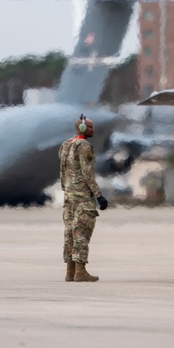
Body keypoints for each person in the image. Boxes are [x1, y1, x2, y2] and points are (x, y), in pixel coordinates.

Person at [59, 114, 108, 282]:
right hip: (82, 197)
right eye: (90, 127)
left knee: (70, 233)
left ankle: (70, 271)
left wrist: (66, 190)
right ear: (82, 128)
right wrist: (99, 195)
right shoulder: (84, 146)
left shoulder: (66, 145)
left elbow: (62, 172)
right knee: (81, 232)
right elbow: (88, 173)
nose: (93, 130)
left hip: (69, 196)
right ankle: (80, 271)